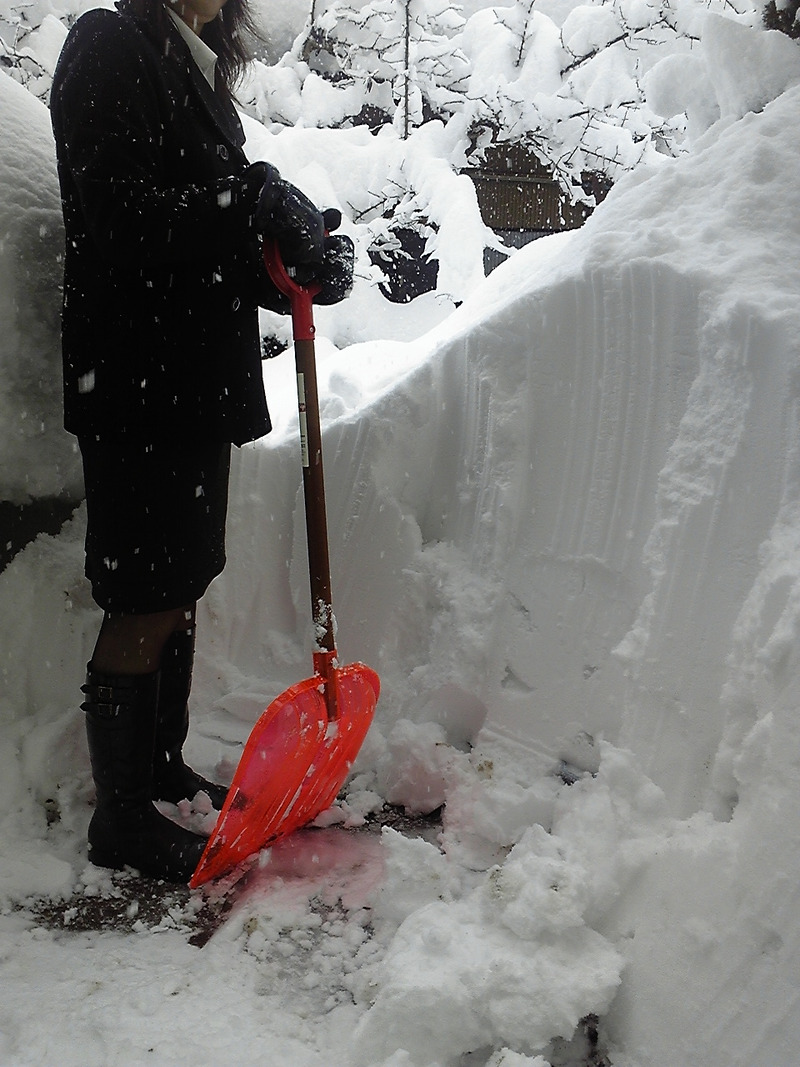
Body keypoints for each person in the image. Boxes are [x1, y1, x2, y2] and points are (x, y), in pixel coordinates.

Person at [50, 0, 354, 883]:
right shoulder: (107, 45)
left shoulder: (194, 69)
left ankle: (159, 767)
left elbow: (202, 239)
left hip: (185, 380)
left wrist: (289, 269)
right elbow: (121, 220)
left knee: (183, 579)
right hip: (136, 380)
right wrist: (250, 196)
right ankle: (120, 818)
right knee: (142, 593)